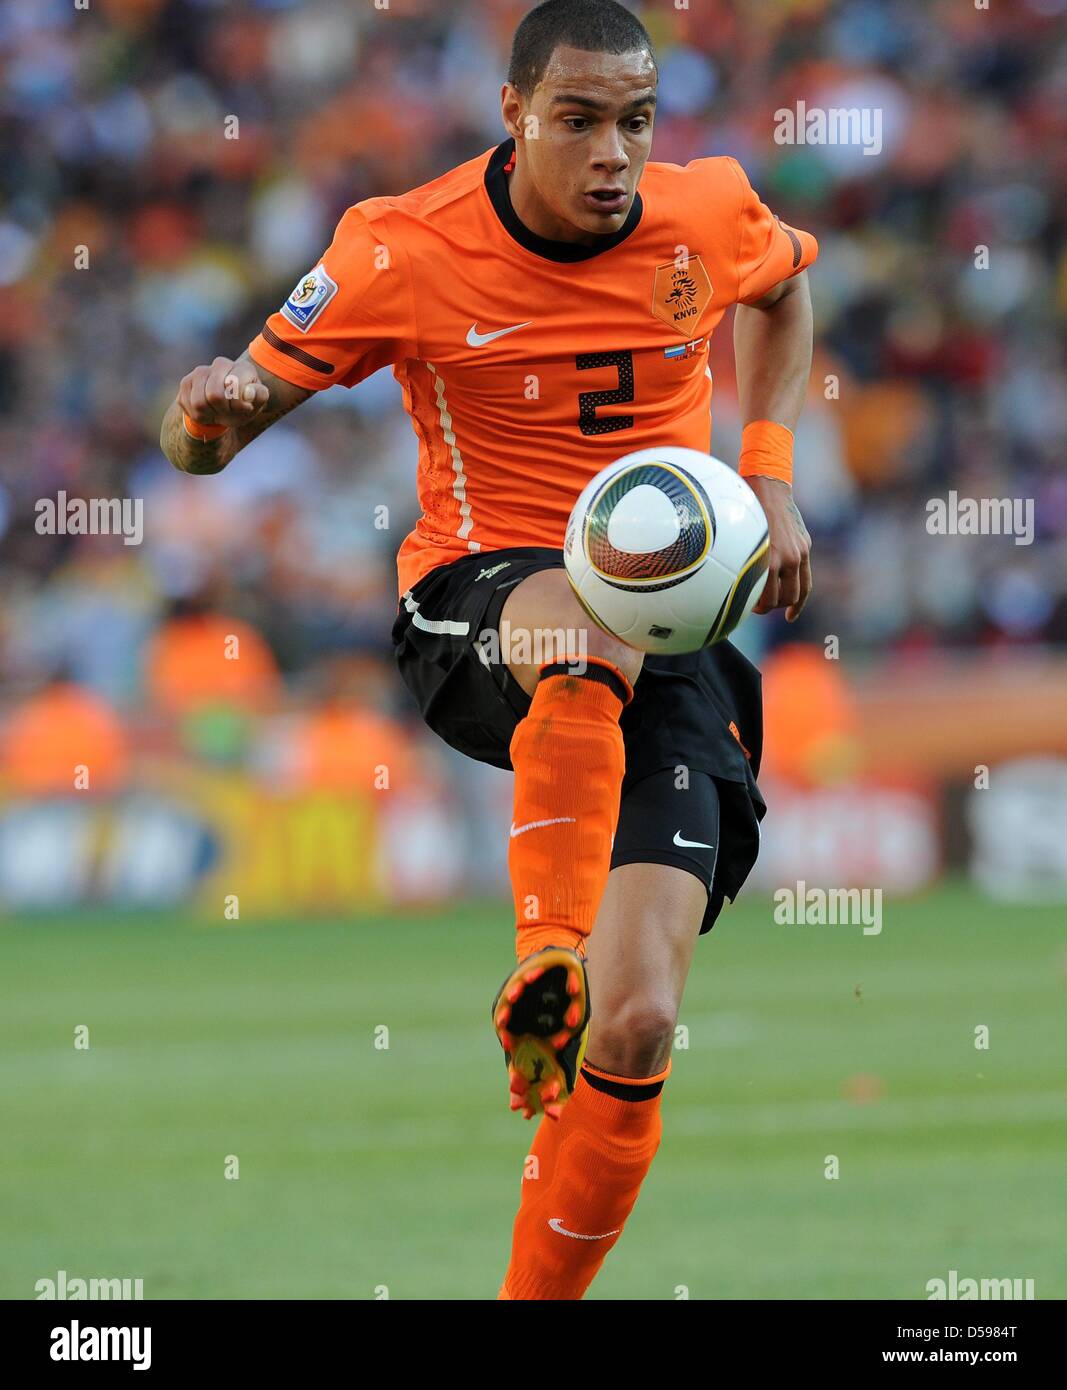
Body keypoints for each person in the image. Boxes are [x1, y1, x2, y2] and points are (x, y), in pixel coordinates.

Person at [160, 0, 816, 1301]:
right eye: (578, 121)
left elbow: (786, 286)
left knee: (635, 1024)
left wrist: (770, 473)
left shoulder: (706, 213)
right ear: (513, 116)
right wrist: (204, 419)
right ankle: (542, 953)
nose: (613, 152)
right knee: (583, 630)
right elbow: (214, 429)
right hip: (480, 610)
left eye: (634, 120)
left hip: (667, 642)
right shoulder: (401, 249)